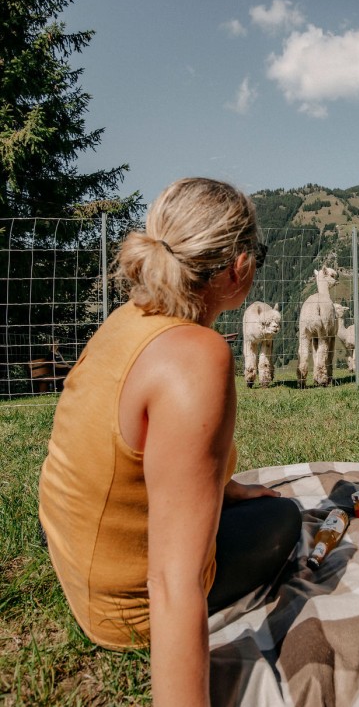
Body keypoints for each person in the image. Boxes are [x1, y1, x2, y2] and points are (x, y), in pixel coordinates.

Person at [39, 178, 303, 706]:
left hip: (81, 566)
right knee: (284, 518)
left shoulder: (129, 320)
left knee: (259, 506)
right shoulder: (197, 356)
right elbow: (172, 578)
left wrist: (225, 491)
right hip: (127, 607)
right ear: (239, 266)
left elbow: (142, 455)